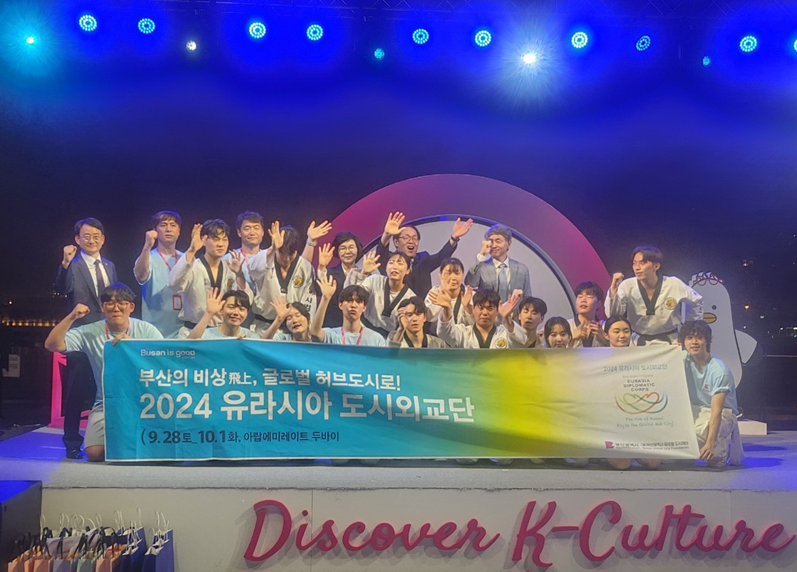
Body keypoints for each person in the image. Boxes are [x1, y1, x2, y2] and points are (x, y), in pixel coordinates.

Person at [44, 284, 163, 462]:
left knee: (161, 446)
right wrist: (72, 316)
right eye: (110, 303)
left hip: (145, 400)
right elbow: (52, 345)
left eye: (122, 303)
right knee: (94, 453)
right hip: (107, 402)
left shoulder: (147, 330)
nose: (116, 308)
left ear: (131, 307)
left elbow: (163, 362)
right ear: (102, 307)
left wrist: (134, 346)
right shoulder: (90, 331)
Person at [53, 217, 118, 459]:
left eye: (96, 236)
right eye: (86, 236)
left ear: (103, 239)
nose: (92, 241)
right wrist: (65, 263)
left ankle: (108, 437)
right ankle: (72, 441)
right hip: (81, 334)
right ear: (77, 240)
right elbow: (61, 288)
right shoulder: (74, 264)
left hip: (108, 334)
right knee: (77, 389)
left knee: (107, 386)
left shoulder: (110, 266)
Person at [167, 220, 250, 338]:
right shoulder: (193, 266)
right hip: (194, 330)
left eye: (224, 239)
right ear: (204, 240)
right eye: (215, 239)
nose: (220, 244)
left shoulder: (231, 268)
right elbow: (173, 284)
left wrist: (239, 275)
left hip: (222, 332)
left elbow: (246, 301)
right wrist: (192, 250)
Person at [606, 246, 703, 345]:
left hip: (670, 342)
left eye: (642, 263)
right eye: (634, 263)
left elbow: (696, 301)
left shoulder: (673, 284)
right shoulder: (627, 286)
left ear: (656, 266)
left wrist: (688, 329)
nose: (637, 268)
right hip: (638, 342)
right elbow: (612, 314)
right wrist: (613, 291)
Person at [681, 320, 743, 468]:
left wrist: (709, 443)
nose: (694, 342)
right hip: (694, 409)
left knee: (706, 439)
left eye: (699, 337)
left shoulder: (720, 371)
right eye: (689, 338)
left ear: (707, 341)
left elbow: (717, 412)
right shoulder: (682, 359)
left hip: (722, 413)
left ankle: (719, 446)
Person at [603, 316, 661, 471]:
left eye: (626, 331)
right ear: (606, 335)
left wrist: (673, 352)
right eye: (616, 331)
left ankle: (634, 446)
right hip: (608, 421)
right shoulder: (598, 359)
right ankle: (604, 451)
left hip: (635, 419)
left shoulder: (640, 357)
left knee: (654, 462)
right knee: (623, 464)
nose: (622, 335)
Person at [375, 212, 473, 299]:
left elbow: (441, 256)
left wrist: (454, 238)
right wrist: (387, 235)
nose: (411, 241)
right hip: (396, 310)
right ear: (396, 242)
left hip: (422, 310)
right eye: (406, 238)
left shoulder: (423, 259)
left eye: (414, 238)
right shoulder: (390, 261)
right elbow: (380, 253)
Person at [247, 222, 317, 333]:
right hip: (263, 326)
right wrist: (273, 248)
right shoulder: (265, 258)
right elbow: (253, 271)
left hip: (293, 327)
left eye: (291, 254)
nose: (286, 258)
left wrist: (306, 329)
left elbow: (309, 301)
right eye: (282, 253)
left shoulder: (305, 267)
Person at [133, 211, 184, 338]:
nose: (168, 229)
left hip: (183, 330)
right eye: (163, 225)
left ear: (179, 231)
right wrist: (147, 246)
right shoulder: (148, 257)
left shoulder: (186, 259)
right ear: (155, 230)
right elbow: (141, 276)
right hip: (154, 331)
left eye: (173, 225)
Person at [344, 251, 416, 337]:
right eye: (391, 263)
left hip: (389, 337)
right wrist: (363, 273)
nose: (394, 267)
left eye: (400, 263)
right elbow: (352, 295)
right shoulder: (374, 280)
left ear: (407, 270)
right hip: (363, 330)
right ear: (386, 268)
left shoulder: (410, 297)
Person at [433, 289, 526, 349]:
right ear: (473, 309)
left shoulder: (504, 333)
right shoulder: (464, 333)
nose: (485, 313)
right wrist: (447, 309)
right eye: (481, 308)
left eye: (490, 308)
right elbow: (444, 332)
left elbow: (522, 340)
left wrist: (507, 319)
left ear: (497, 311)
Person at [310, 277, 386, 347]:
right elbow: (314, 333)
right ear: (340, 305)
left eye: (358, 301)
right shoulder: (332, 335)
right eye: (349, 300)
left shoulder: (376, 339)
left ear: (364, 308)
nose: (353, 305)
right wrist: (325, 298)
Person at [465, 224, 531, 302]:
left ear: (509, 243)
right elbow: (470, 283)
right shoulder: (481, 266)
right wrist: (481, 254)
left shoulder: (522, 269)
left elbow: (527, 299)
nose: (494, 245)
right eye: (491, 241)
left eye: (498, 241)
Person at [317, 231, 363, 328]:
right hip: (333, 327)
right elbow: (318, 290)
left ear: (357, 249)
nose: (347, 252)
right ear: (337, 252)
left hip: (358, 328)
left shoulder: (364, 275)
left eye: (351, 247)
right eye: (343, 248)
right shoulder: (330, 273)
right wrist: (321, 267)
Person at [187, 289, 260, 339]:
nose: (236, 313)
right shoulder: (206, 335)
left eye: (241, 309)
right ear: (221, 310)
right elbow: (189, 348)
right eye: (231, 307)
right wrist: (209, 313)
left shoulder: (252, 338)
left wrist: (248, 345)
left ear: (247, 313)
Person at [425, 258, 474, 329]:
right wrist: (444, 293)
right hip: (438, 335)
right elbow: (429, 317)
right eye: (448, 273)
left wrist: (468, 308)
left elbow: (477, 324)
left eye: (457, 273)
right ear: (440, 276)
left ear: (462, 275)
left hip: (464, 335)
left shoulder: (469, 295)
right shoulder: (434, 292)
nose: (453, 278)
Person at [568, 282, 609, 348]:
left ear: (599, 303)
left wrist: (604, 341)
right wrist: (571, 339)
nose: (583, 300)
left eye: (589, 297)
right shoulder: (567, 326)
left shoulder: (606, 326)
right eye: (580, 297)